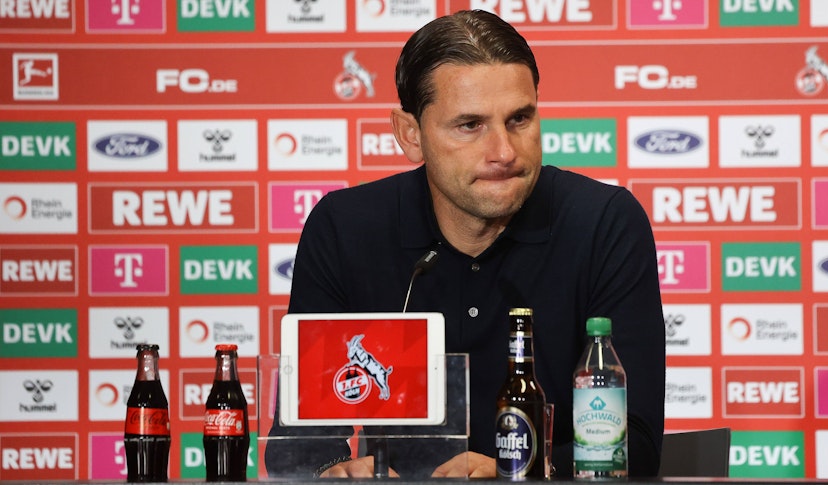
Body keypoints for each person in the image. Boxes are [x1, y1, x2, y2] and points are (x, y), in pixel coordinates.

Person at [265, 9, 665, 479]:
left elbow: (634, 444)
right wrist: (335, 472)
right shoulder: (345, 228)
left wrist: (515, 473)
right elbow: (299, 442)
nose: (504, 152)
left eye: (519, 118)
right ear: (409, 134)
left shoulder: (604, 222)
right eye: (469, 125)